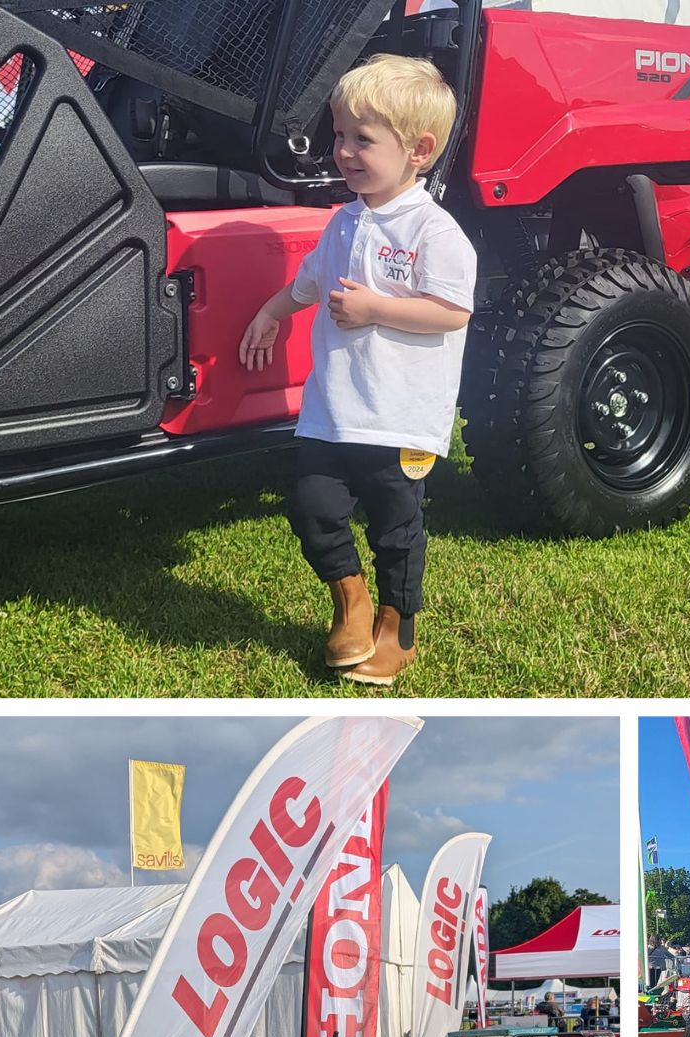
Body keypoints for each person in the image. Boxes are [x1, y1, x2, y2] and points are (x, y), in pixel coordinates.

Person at [239, 54, 477, 685]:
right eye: (339, 135)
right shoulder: (342, 223)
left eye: (361, 140)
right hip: (333, 410)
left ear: (418, 150)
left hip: (400, 417)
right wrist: (271, 312)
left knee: (397, 531)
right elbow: (308, 284)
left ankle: (398, 632)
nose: (342, 151)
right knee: (313, 509)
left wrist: (376, 307)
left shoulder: (436, 231)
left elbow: (452, 312)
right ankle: (352, 600)